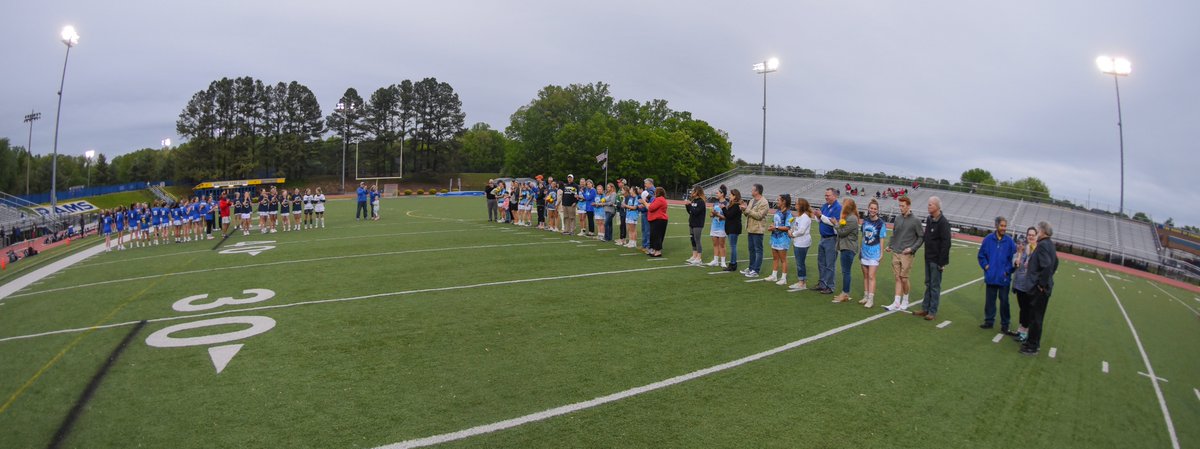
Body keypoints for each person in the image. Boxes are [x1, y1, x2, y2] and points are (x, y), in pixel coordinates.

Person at [1020, 221, 1059, 356]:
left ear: (1042, 231)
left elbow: (1047, 266)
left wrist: (1041, 284)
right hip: (1042, 287)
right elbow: (1055, 264)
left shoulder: (1043, 245)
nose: (1036, 232)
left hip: (1040, 289)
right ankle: (1032, 342)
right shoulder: (1050, 245)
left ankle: (1032, 346)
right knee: (1035, 317)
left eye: (1038, 230)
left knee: (1036, 318)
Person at [978, 216, 1018, 333]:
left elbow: (1014, 258)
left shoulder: (1010, 241)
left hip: (1004, 278)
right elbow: (981, 256)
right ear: (996, 226)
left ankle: (1005, 324)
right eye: (1002, 226)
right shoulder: (988, 239)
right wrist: (986, 266)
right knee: (990, 300)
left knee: (1004, 301)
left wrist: (1007, 271)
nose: (1004, 228)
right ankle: (989, 321)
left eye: (1005, 226)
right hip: (991, 276)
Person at [883, 196, 924, 311]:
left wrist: (912, 249)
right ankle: (896, 302)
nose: (900, 208)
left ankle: (905, 301)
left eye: (903, 206)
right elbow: (895, 234)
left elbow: (921, 237)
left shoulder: (915, 220)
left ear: (909, 206)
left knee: (904, 278)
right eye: (899, 205)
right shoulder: (897, 218)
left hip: (907, 254)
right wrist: (890, 245)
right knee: (897, 277)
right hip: (896, 252)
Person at [915, 196, 952, 321]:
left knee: (935, 286)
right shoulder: (929, 219)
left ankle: (932, 311)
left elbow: (946, 243)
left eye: (930, 204)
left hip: (936, 260)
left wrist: (942, 262)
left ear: (937, 206)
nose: (928, 206)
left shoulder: (943, 222)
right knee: (928, 284)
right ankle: (925, 308)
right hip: (928, 257)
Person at [820, 198, 859, 303]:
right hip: (845, 247)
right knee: (845, 271)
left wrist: (835, 223)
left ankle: (845, 293)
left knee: (846, 272)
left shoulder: (852, 218)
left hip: (848, 247)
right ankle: (844, 293)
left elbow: (842, 232)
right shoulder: (850, 217)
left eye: (844, 204)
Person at [1011, 226, 1039, 342]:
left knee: (1027, 309)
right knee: (1022, 308)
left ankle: (1025, 331)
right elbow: (1015, 262)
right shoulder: (1023, 248)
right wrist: (1016, 260)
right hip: (1019, 284)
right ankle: (1021, 329)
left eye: (1033, 234)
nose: (1030, 236)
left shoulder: (1037, 250)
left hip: (1029, 286)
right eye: (1029, 234)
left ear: (1036, 236)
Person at [859, 199, 886, 308]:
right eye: (871, 208)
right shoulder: (865, 221)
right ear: (868, 209)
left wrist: (881, 253)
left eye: (875, 209)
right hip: (864, 251)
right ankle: (865, 296)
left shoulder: (881, 223)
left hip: (874, 252)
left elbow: (882, 238)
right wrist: (860, 249)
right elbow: (863, 236)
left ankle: (871, 299)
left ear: (877, 210)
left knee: (871, 276)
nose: (873, 210)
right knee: (865, 275)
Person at [816, 188, 843, 294]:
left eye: (828, 195)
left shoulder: (838, 207)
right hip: (823, 238)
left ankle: (830, 286)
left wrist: (821, 216)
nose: (826, 197)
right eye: (825, 195)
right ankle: (822, 283)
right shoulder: (825, 206)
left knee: (830, 264)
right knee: (821, 263)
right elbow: (820, 220)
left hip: (831, 238)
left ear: (834, 196)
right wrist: (818, 216)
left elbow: (833, 222)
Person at [742, 183, 769, 278]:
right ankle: (751, 268)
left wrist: (747, 210)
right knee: (751, 250)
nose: (751, 191)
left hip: (758, 229)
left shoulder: (764, 202)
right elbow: (747, 213)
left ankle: (756, 270)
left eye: (752, 189)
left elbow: (759, 215)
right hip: (750, 228)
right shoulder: (752, 200)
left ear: (757, 191)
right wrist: (743, 209)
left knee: (758, 250)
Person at [767, 194, 793, 286]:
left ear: (784, 201)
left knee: (783, 259)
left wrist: (775, 227)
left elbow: (788, 227)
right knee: (775, 258)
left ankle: (783, 278)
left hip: (783, 238)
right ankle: (774, 275)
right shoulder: (778, 211)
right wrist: (772, 226)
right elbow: (775, 222)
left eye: (778, 200)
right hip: (775, 237)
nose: (777, 201)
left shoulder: (788, 213)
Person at [789, 197, 814, 290]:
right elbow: (796, 227)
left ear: (801, 206)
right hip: (798, 242)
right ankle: (801, 281)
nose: (795, 205)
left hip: (802, 242)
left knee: (800, 263)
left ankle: (802, 283)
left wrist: (792, 234)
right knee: (799, 262)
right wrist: (791, 231)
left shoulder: (805, 217)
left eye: (796, 204)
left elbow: (802, 231)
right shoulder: (799, 216)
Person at [643, 186, 668, 257]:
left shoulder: (660, 199)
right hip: (656, 220)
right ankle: (655, 250)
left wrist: (644, 202)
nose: (654, 193)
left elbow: (651, 208)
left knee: (657, 236)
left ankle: (658, 251)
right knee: (654, 236)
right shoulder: (659, 199)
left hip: (659, 220)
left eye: (655, 192)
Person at [684, 185, 707, 265]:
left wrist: (689, 205)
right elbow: (690, 212)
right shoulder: (694, 200)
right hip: (692, 222)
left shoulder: (701, 202)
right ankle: (694, 255)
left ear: (697, 192)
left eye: (693, 191)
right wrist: (687, 205)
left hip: (698, 224)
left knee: (697, 240)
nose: (692, 192)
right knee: (692, 239)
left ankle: (699, 257)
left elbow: (696, 212)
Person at [707, 185, 728, 268]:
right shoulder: (715, 203)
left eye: (718, 193)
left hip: (722, 227)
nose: (716, 194)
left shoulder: (727, 203)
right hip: (714, 226)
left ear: (722, 194)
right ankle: (715, 260)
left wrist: (718, 214)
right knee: (715, 244)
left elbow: (727, 217)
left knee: (722, 245)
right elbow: (711, 215)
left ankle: (723, 261)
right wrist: (712, 213)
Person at [724, 188, 744, 273]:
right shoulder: (733, 204)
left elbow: (729, 215)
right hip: (731, 228)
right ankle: (732, 263)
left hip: (734, 228)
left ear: (735, 196)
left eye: (731, 195)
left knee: (733, 247)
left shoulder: (736, 205)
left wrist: (723, 208)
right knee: (733, 246)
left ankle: (733, 264)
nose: (729, 196)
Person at [640, 178, 655, 251]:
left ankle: (648, 246)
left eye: (646, 183)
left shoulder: (652, 191)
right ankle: (645, 245)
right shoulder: (649, 191)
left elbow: (650, 202)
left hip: (648, 212)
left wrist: (643, 204)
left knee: (647, 230)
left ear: (650, 183)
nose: (644, 185)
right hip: (645, 211)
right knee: (644, 229)